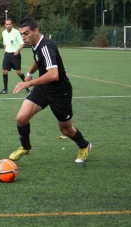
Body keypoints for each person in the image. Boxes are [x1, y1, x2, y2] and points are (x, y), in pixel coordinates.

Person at [9, 16, 91, 163]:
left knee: (66, 130)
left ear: (36, 31)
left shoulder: (47, 46)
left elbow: (53, 75)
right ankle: (26, 147)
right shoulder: (35, 44)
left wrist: (28, 83)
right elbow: (38, 58)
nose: (23, 37)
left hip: (60, 93)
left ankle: (84, 146)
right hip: (43, 88)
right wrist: (29, 73)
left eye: (26, 33)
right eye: (21, 34)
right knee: (21, 118)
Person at [0, 18, 29, 94]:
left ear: (12, 24)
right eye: (7, 24)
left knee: (18, 72)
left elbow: (22, 44)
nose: (8, 25)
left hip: (16, 54)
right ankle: (5, 89)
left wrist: (18, 50)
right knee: (4, 71)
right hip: (7, 54)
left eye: (9, 24)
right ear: (5, 25)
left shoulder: (16, 32)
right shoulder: (4, 33)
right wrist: (6, 51)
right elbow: (5, 44)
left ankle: (27, 86)